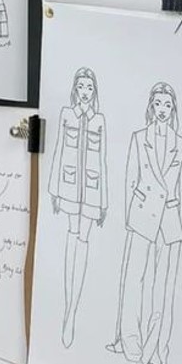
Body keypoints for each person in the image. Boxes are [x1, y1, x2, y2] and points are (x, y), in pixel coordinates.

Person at [108, 82, 182, 364]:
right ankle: (129, 341)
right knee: (133, 281)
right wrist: (129, 217)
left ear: (174, 109)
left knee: (163, 289)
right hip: (142, 215)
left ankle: (154, 350)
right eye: (157, 104)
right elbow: (130, 179)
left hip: (169, 221)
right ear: (150, 107)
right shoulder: (139, 138)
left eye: (167, 105)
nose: (162, 110)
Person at [48, 68, 107, 347]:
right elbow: (58, 149)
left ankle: (73, 310)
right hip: (69, 186)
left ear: (94, 92)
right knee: (72, 239)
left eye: (89, 87)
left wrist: (104, 202)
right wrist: (54, 190)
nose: (85, 92)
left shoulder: (99, 120)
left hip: (92, 191)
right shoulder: (66, 115)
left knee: (83, 241)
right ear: (75, 89)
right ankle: (66, 307)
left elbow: (103, 160)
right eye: (81, 87)